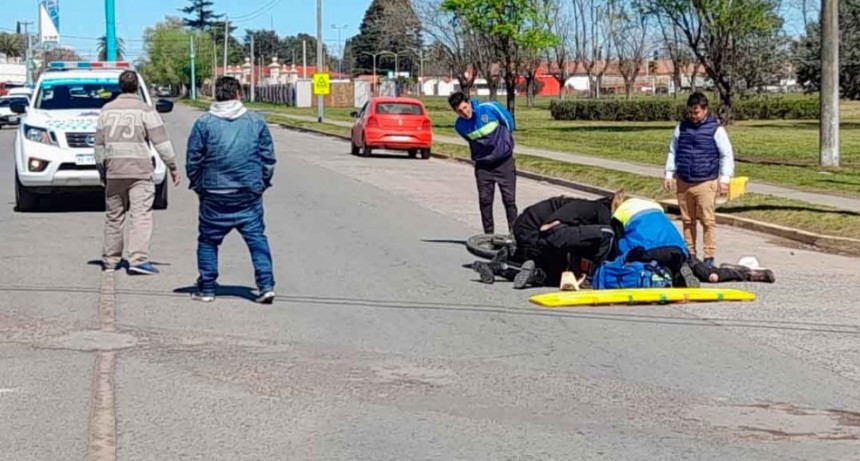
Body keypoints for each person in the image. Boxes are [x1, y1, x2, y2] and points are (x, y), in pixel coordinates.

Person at [186, 77, 277, 304]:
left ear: (216, 95)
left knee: (208, 241)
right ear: (239, 94)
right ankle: (265, 285)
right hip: (248, 192)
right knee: (257, 239)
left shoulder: (204, 123)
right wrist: (260, 184)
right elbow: (268, 159)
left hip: (214, 193)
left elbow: (193, 160)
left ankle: (207, 288)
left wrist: (199, 186)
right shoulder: (256, 122)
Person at [94, 70, 181, 275]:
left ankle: (110, 259)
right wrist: (173, 167)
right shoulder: (146, 111)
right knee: (140, 215)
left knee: (114, 216)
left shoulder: (106, 111)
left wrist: (102, 172)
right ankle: (138, 260)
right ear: (137, 87)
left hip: (114, 170)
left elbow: (98, 147)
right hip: (140, 171)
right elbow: (162, 143)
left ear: (119, 86)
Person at [603, 193, 774, 288]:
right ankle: (746, 273)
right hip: (678, 248)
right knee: (706, 272)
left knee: (652, 266)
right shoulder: (654, 206)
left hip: (650, 252)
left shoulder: (619, 214)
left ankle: (677, 276)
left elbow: (618, 247)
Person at [472, 193, 619, 289]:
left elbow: (575, 244)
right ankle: (591, 280)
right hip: (537, 231)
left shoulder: (582, 208)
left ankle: (499, 267)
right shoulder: (596, 209)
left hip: (525, 230)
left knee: (557, 277)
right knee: (607, 233)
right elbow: (550, 226)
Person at [663, 92, 735, 268]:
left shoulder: (716, 130)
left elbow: (726, 154)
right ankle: (690, 253)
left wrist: (725, 179)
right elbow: (673, 150)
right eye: (691, 112)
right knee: (687, 220)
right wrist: (669, 173)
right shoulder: (682, 128)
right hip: (684, 180)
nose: (694, 116)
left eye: (697, 112)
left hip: (706, 181)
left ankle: (709, 256)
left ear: (705, 110)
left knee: (707, 220)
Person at [448, 91, 518, 235]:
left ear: (469, 102)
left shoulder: (489, 108)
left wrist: (505, 142)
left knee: (509, 200)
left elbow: (509, 122)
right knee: (485, 201)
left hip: (504, 162)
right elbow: (471, 140)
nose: (465, 113)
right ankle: (488, 235)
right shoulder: (460, 126)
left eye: (465, 107)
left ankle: (514, 234)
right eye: (460, 111)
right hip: (483, 166)